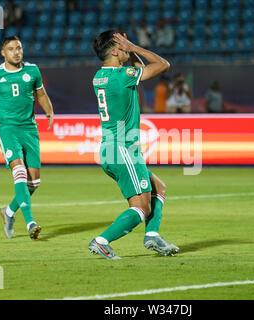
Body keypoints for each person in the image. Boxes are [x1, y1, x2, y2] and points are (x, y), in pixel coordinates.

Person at [90, 30, 179, 259]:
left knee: (158, 188)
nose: (125, 48)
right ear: (113, 50)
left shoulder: (101, 76)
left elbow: (137, 69)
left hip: (112, 147)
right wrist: (135, 47)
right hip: (122, 148)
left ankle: (152, 236)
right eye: (121, 45)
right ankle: (101, 241)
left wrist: (128, 52)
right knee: (141, 208)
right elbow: (162, 65)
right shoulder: (122, 76)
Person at [0, 36, 54, 241]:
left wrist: (49, 111)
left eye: (19, 48)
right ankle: (30, 222)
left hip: (29, 129)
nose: (16, 52)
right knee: (19, 170)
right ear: (3, 53)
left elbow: (40, 94)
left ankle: (8, 212)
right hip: (7, 129)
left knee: (34, 183)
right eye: (11, 49)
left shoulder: (32, 70)